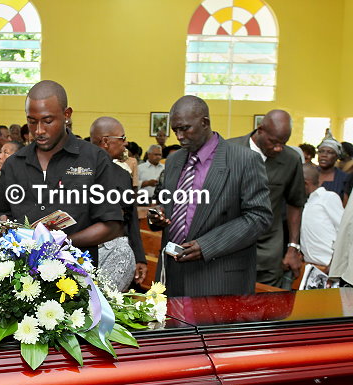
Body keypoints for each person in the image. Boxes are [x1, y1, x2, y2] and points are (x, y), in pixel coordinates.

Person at [0, 80, 123, 265]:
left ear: (67, 115)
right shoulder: (14, 164)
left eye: (48, 121)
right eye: (31, 122)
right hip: (21, 273)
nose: (39, 130)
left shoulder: (94, 159)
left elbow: (112, 225)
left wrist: (59, 243)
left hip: (76, 272)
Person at [147, 95, 272, 297]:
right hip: (172, 273)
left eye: (185, 128)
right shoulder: (174, 160)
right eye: (175, 130)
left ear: (204, 122)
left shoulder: (243, 160)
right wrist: (158, 216)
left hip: (217, 275)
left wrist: (207, 245)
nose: (179, 136)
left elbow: (259, 217)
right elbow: (167, 204)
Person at [227, 109, 305, 288]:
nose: (278, 148)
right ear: (260, 130)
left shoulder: (291, 160)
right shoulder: (228, 151)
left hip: (268, 251)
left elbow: (295, 203)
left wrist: (293, 247)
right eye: (274, 142)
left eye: (283, 143)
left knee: (268, 302)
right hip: (229, 247)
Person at [90, 117, 147, 289]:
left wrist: (139, 257)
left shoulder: (122, 174)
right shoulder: (78, 173)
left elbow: (131, 218)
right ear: (106, 142)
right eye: (122, 138)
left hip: (116, 257)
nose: (126, 143)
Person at [300, 164, 343, 267]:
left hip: (330, 265)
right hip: (310, 266)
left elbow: (344, 231)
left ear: (305, 183)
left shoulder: (328, 197)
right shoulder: (304, 202)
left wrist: (334, 263)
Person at [317, 134, 351, 205]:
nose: (324, 155)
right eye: (321, 151)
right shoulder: (309, 173)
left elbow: (345, 205)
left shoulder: (344, 178)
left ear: (337, 156)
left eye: (330, 152)